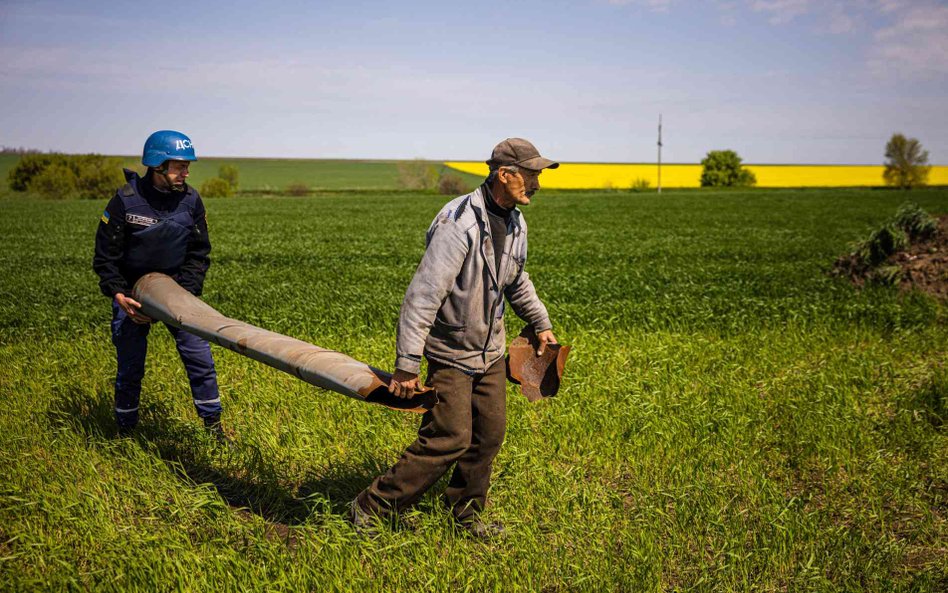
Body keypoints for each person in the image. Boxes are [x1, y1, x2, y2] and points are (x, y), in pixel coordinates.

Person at [352, 138, 559, 537]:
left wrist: (540, 322)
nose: (536, 184)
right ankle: (372, 507)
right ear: (505, 174)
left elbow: (516, 279)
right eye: (530, 175)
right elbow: (424, 295)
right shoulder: (458, 222)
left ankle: (464, 515)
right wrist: (407, 364)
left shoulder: (515, 221)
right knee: (448, 438)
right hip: (451, 351)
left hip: (491, 351)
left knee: (489, 435)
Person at [93, 130, 228, 443]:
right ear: (156, 166)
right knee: (130, 366)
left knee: (200, 359)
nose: (186, 172)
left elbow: (199, 253)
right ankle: (126, 432)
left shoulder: (191, 200)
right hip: (131, 296)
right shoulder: (125, 201)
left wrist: (186, 295)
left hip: (178, 294)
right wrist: (119, 294)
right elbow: (105, 258)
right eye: (179, 166)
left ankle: (214, 429)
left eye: (187, 166)